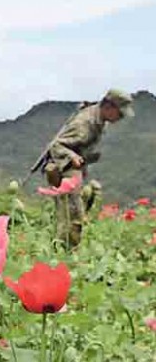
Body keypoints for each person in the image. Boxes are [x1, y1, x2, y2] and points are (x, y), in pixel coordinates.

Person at [43, 88, 134, 247]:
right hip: (64, 168)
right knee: (73, 215)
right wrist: (72, 156)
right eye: (119, 113)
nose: (120, 118)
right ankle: (65, 249)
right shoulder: (83, 123)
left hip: (76, 168)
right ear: (108, 107)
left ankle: (66, 246)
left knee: (75, 209)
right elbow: (56, 146)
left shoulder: (99, 118)